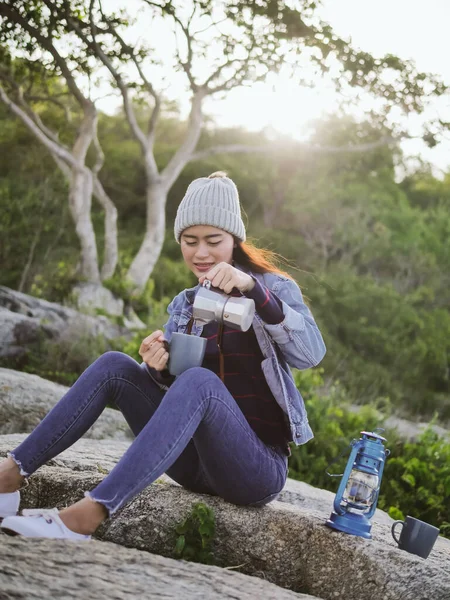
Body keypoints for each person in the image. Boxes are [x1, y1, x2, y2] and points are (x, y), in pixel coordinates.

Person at [0, 171, 326, 540]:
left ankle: (87, 517)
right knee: (115, 365)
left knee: (201, 381)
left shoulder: (273, 288)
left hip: (255, 470)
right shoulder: (186, 305)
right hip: (191, 464)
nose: (200, 253)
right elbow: (177, 391)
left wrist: (254, 291)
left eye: (212, 241)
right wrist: (158, 369)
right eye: (189, 241)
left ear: (235, 240)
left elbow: (310, 354)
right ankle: (8, 480)